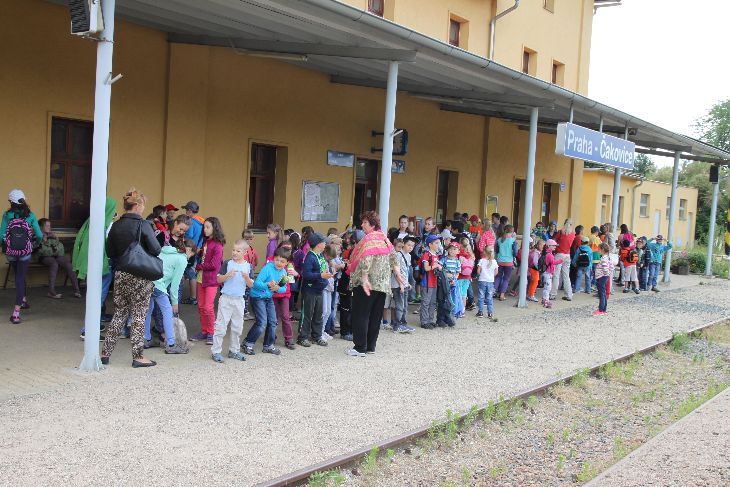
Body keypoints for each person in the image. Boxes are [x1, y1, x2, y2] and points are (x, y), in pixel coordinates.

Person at [101, 188, 162, 367]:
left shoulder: (116, 225)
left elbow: (110, 252)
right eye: (143, 205)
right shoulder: (143, 225)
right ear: (137, 205)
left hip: (121, 274)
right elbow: (156, 249)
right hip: (141, 275)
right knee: (139, 315)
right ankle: (138, 357)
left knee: (119, 313)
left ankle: (105, 353)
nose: (144, 208)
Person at [345, 211, 405, 357]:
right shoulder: (384, 238)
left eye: (365, 222)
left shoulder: (369, 239)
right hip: (382, 284)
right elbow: (393, 257)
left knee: (361, 315)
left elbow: (366, 259)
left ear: (372, 224)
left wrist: (365, 278)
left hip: (366, 284)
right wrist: (398, 274)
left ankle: (360, 348)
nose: (362, 225)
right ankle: (370, 346)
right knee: (375, 316)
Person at [143, 238, 196, 354]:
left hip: (147, 281)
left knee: (148, 310)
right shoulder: (182, 259)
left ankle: (146, 339)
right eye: (191, 254)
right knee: (168, 311)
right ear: (189, 251)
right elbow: (175, 286)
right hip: (158, 285)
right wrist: (175, 303)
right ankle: (171, 344)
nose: (190, 257)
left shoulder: (166, 250)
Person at [74, 197, 117, 339]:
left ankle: (94, 325)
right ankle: (88, 330)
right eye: (114, 210)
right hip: (103, 266)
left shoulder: (92, 221)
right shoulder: (107, 225)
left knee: (94, 296)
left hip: (91, 264)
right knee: (98, 298)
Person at [1, 189, 43, 324]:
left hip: (11, 253)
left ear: (11, 202)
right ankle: (16, 314)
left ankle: (23, 299)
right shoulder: (30, 215)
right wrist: (34, 244)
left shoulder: (7, 215)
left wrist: (5, 247)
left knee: (19, 276)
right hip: (25, 252)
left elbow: (1, 235)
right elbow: (39, 235)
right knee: (20, 277)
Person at [212, 239, 255, 362]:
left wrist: (247, 278)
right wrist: (227, 276)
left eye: (238, 251)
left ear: (245, 252)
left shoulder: (248, 266)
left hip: (239, 300)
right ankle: (216, 351)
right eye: (233, 250)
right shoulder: (227, 263)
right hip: (226, 298)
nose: (234, 253)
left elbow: (251, 285)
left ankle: (234, 351)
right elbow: (218, 279)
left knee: (237, 327)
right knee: (221, 326)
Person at [242, 246, 288, 355]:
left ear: (286, 263)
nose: (279, 263)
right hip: (257, 297)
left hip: (268, 298)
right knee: (262, 322)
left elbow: (284, 288)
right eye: (277, 260)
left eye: (282, 261)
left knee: (273, 322)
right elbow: (256, 284)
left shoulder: (284, 273)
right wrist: (267, 284)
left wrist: (277, 288)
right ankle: (248, 343)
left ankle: (268, 345)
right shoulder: (267, 268)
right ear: (273, 259)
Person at [190, 217, 225, 345]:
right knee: (201, 307)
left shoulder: (218, 245)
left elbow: (214, 265)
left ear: (215, 228)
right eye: (204, 227)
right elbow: (205, 258)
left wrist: (199, 266)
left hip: (211, 280)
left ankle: (211, 332)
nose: (205, 229)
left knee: (208, 307)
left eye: (207, 227)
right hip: (201, 279)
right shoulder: (206, 242)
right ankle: (204, 331)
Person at [298, 232, 330, 347]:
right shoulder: (310, 257)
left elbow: (321, 270)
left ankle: (317, 336)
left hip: (319, 289)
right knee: (307, 314)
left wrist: (326, 275)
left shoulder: (320, 255)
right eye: (324, 242)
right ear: (318, 244)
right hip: (310, 290)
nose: (325, 244)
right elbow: (306, 274)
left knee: (318, 314)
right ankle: (302, 337)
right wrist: (321, 275)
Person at [37, 218, 82, 299]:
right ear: (40, 227)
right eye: (46, 226)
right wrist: (45, 241)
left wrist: (55, 240)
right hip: (43, 257)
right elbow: (42, 251)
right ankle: (51, 291)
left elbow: (60, 249)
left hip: (55, 256)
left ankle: (77, 290)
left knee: (68, 264)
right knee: (54, 263)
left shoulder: (52, 235)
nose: (49, 227)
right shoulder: (37, 236)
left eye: (49, 226)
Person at [269, 241, 298, 350]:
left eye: (289, 249)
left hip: (285, 294)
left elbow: (291, 280)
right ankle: (271, 337)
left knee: (286, 316)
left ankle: (289, 339)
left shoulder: (290, 263)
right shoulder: (272, 261)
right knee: (273, 317)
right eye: (285, 248)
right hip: (273, 294)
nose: (287, 250)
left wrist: (296, 274)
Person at [391, 237, 416, 333]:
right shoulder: (398, 255)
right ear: (403, 244)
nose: (411, 247)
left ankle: (403, 323)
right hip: (397, 284)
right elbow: (396, 271)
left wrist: (407, 283)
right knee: (400, 305)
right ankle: (397, 325)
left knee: (405, 305)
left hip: (404, 284)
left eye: (412, 246)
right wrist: (401, 284)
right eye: (408, 245)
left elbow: (406, 271)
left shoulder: (408, 256)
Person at [181, 201, 204, 305]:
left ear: (190, 211)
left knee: (190, 273)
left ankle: (193, 298)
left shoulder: (191, 222)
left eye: (186, 210)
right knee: (193, 272)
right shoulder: (201, 222)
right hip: (197, 249)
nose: (185, 212)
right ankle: (194, 297)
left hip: (190, 250)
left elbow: (188, 236)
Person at [418, 234, 443, 329]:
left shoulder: (436, 255)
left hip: (434, 282)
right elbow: (426, 268)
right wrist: (435, 266)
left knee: (433, 302)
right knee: (426, 302)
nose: (438, 245)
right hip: (426, 283)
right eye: (436, 243)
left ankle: (430, 320)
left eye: (439, 243)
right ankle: (424, 321)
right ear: (430, 244)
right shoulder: (426, 255)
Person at [551, 219, 575, 302]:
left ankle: (553, 294)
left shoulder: (560, 232)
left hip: (559, 255)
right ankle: (568, 295)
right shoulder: (573, 234)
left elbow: (554, 242)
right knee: (566, 276)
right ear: (571, 225)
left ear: (564, 224)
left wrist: (558, 245)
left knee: (556, 275)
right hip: (567, 255)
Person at [494, 225, 517, 301]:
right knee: (506, 279)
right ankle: (502, 295)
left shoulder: (499, 240)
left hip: (500, 261)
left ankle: (492, 292)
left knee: (498, 277)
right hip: (508, 262)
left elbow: (496, 250)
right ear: (512, 232)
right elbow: (515, 253)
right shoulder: (513, 241)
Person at [442, 241, 463, 318]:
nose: (452, 251)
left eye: (454, 249)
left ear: (458, 251)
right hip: (444, 282)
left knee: (454, 297)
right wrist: (445, 275)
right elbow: (440, 268)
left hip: (453, 282)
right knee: (444, 297)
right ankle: (444, 313)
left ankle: (453, 312)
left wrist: (453, 280)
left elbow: (457, 273)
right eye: (450, 249)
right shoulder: (444, 260)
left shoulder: (457, 262)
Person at [476, 247, 498, 320]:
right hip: (490, 281)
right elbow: (496, 272)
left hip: (482, 280)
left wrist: (481, 275)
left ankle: (480, 312)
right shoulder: (494, 261)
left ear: (484, 252)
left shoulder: (482, 260)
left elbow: (478, 271)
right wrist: (491, 276)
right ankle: (490, 313)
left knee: (481, 296)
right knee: (489, 297)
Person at [542, 239, 562, 309]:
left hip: (547, 273)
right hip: (548, 273)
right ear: (548, 246)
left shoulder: (548, 253)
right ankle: (546, 300)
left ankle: (544, 299)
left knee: (546, 287)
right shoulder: (549, 255)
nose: (555, 247)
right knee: (548, 288)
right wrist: (561, 261)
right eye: (553, 245)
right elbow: (553, 262)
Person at [593, 243, 612, 316]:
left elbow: (605, 268)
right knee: (603, 293)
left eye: (599, 249)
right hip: (604, 277)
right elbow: (612, 266)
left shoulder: (603, 258)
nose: (598, 250)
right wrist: (608, 274)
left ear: (602, 250)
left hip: (601, 277)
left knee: (601, 294)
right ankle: (604, 309)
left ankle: (601, 310)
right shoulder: (608, 257)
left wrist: (606, 274)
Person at [458, 240, 475, 313]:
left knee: (459, 293)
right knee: (464, 294)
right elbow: (471, 267)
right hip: (468, 277)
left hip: (460, 277)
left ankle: (458, 310)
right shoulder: (472, 256)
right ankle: (463, 310)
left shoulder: (459, 255)